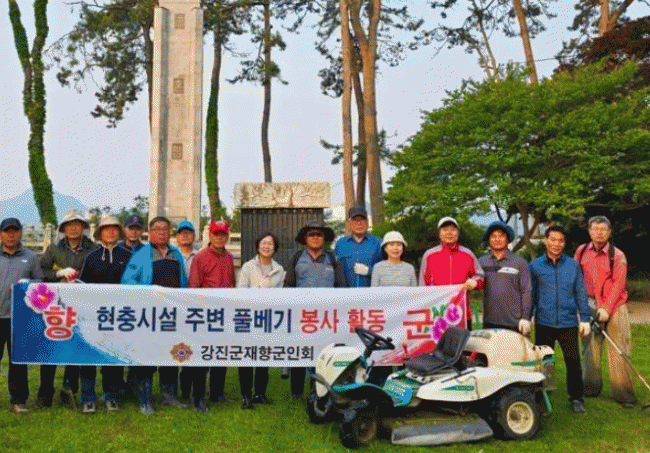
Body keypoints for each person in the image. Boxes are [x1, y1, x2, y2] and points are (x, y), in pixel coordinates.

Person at [121, 216, 188, 415]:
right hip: (149, 315)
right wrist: (149, 291)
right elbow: (127, 281)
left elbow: (183, 282)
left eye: (165, 229)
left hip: (171, 315)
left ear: (170, 232)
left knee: (171, 355)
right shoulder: (141, 255)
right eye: (157, 229)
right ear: (149, 233)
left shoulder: (176, 254)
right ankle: (145, 399)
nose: (161, 232)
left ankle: (169, 396)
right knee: (147, 356)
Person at [575, 216, 637, 407]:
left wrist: (606, 309)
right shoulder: (581, 251)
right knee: (590, 350)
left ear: (610, 232)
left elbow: (618, 285)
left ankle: (624, 395)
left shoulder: (617, 255)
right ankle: (590, 389)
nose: (599, 233)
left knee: (618, 350)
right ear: (589, 231)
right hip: (589, 305)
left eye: (603, 229)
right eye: (595, 229)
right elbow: (575, 277)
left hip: (615, 306)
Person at [530, 225, 591, 413]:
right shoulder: (535, 266)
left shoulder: (573, 266)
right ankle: (542, 395)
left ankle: (576, 398)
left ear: (564, 243)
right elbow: (531, 294)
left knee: (573, 361)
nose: (556, 244)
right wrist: (526, 317)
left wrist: (585, 319)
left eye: (560, 240)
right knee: (544, 362)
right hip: (544, 322)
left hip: (568, 322)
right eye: (553, 239)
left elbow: (580, 293)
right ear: (545, 241)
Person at [39, 210, 97, 409]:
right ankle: (45, 393)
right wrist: (58, 274)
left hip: (82, 304)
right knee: (51, 346)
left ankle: (70, 389)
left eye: (77, 224)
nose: (73, 228)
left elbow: (98, 272)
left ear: (83, 227)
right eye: (69, 225)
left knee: (75, 345)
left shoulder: (93, 249)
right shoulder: (54, 249)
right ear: (63, 229)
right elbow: (42, 270)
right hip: (56, 305)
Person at [284, 221, 347, 400]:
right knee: (300, 353)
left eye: (319, 235)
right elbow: (288, 285)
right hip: (302, 316)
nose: (315, 237)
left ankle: (318, 390)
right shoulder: (297, 258)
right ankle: (296, 392)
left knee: (323, 354)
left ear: (324, 238)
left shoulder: (333, 259)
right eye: (311, 234)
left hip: (326, 317)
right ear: (305, 239)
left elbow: (342, 287)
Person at [78, 215, 132, 413]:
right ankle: (88, 398)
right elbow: (81, 286)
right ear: (100, 233)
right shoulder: (91, 257)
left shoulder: (128, 256)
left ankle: (112, 396)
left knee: (113, 357)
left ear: (119, 232)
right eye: (106, 228)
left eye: (114, 228)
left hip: (118, 316)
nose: (110, 232)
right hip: (93, 316)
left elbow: (134, 286)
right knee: (88, 357)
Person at [188, 220, 235, 411]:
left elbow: (231, 283)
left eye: (222, 234)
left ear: (227, 236)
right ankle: (198, 397)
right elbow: (194, 286)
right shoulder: (200, 257)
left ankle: (217, 393)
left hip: (224, 312)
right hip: (206, 312)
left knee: (221, 354)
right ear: (210, 235)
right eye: (216, 234)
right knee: (203, 355)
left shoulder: (229, 257)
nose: (219, 238)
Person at [236, 232, 285, 409]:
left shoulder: (279, 270)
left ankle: (260, 393)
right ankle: (246, 395)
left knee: (264, 356)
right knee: (247, 356)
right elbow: (240, 291)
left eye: (270, 244)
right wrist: (259, 289)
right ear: (257, 246)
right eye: (263, 243)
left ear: (275, 248)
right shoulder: (248, 267)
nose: (266, 246)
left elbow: (280, 295)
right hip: (249, 317)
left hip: (268, 318)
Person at [0, 218, 43, 413]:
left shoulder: (31, 257)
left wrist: (29, 284)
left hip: (19, 318)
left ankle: (18, 400)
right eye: (7, 231)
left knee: (18, 360)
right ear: (1, 234)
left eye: (15, 231)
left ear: (20, 233)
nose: (11, 235)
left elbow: (40, 282)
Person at [419, 217, 484, 329]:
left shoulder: (468, 254)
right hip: (437, 313)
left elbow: (480, 277)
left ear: (458, 233)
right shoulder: (429, 255)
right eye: (445, 230)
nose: (449, 233)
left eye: (453, 229)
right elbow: (423, 285)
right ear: (439, 234)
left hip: (462, 313)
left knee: (462, 340)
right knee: (439, 341)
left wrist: (475, 283)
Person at [370, 230, 416, 384]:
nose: (395, 248)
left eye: (398, 245)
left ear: (403, 247)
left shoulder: (409, 268)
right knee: (386, 354)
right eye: (391, 245)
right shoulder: (378, 267)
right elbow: (374, 293)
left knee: (405, 354)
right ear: (385, 248)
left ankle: (406, 386)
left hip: (405, 319)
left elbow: (415, 294)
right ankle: (382, 387)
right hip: (386, 319)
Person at [478, 221, 532, 334]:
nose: (497, 239)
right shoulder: (481, 262)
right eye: (493, 236)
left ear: (508, 239)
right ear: (488, 240)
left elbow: (526, 290)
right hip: (489, 322)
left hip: (515, 323)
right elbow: (474, 283)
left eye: (501, 236)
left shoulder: (519, 262)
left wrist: (526, 318)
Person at [175, 220, 198, 402]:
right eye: (182, 233)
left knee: (193, 349)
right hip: (175, 307)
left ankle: (189, 389)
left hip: (195, 308)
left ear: (194, 236)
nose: (185, 236)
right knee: (176, 349)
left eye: (188, 232)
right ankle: (173, 390)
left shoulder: (200, 256)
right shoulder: (172, 255)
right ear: (176, 237)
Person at [334, 206, 382, 288]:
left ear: (367, 222)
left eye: (362, 219)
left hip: (372, 293)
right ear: (349, 223)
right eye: (355, 220)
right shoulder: (340, 244)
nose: (359, 223)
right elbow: (335, 271)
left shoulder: (378, 243)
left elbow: (387, 271)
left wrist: (369, 271)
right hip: (346, 293)